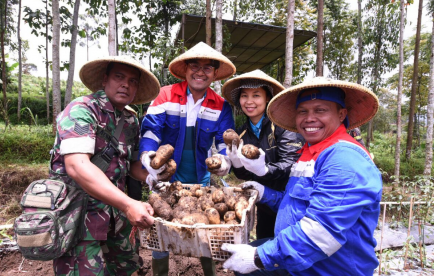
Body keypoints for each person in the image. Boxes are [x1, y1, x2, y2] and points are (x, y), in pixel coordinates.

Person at [222, 77, 383, 276]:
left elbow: (321, 232)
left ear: (341, 114)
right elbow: (296, 205)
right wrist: (265, 193)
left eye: (320, 110)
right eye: (303, 111)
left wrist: (259, 257)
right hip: (302, 263)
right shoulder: (310, 151)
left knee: (250, 264)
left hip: (330, 268)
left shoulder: (344, 158)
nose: (310, 118)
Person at [50, 56, 161, 275]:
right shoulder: (82, 110)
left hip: (116, 219)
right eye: (119, 77)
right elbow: (77, 165)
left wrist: (157, 176)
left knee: (126, 269)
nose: (125, 84)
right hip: (79, 218)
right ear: (104, 79)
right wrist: (129, 204)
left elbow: (132, 167)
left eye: (132, 81)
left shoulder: (130, 121)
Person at [139, 41, 236, 276]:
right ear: (185, 69)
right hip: (165, 177)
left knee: (205, 234)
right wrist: (148, 157)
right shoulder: (165, 95)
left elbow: (225, 141)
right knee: (159, 234)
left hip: (200, 180)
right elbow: (151, 131)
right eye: (195, 65)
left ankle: (210, 272)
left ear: (214, 74)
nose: (200, 72)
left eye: (207, 68)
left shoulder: (221, 105)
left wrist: (224, 161)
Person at [221, 70, 303, 239]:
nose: (249, 101)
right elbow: (245, 173)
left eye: (256, 95)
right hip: (263, 203)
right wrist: (236, 162)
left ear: (267, 99)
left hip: (290, 200)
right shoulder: (241, 133)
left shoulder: (282, 125)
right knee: (264, 243)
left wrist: (265, 170)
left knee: (288, 246)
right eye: (244, 96)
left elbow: (292, 164)